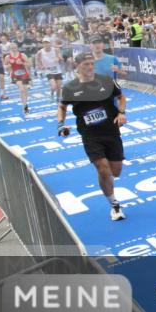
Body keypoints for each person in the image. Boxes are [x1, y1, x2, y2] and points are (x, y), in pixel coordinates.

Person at [58, 53, 128, 221]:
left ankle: (108, 183)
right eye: (86, 64)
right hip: (90, 135)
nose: (89, 67)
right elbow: (62, 107)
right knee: (103, 169)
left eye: (91, 64)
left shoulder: (105, 80)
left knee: (115, 171)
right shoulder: (70, 88)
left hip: (111, 132)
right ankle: (114, 205)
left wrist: (121, 113)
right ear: (77, 66)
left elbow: (121, 97)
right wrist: (61, 125)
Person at [3, 44, 33, 114]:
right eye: (12, 48)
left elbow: (30, 64)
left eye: (15, 47)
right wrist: (8, 66)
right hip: (15, 75)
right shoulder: (8, 57)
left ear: (17, 48)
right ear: (10, 48)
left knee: (25, 91)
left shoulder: (22, 55)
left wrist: (22, 62)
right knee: (22, 89)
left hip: (24, 75)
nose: (14, 49)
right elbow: (4, 66)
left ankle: (25, 106)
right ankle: (24, 106)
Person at [36, 37, 65, 103]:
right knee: (54, 86)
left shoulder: (56, 50)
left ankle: (58, 98)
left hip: (57, 69)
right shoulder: (40, 52)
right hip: (48, 70)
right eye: (44, 43)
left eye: (47, 43)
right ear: (43, 44)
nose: (46, 45)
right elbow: (37, 61)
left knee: (59, 87)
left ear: (50, 43)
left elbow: (61, 58)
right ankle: (52, 94)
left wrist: (58, 59)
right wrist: (41, 66)